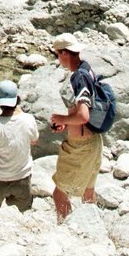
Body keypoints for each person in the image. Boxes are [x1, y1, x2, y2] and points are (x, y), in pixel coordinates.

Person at [49, 32, 103, 222]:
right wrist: (66, 122)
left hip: (80, 147)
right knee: (88, 191)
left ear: (65, 53)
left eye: (57, 54)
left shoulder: (78, 78)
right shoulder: (87, 69)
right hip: (94, 142)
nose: (58, 58)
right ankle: (92, 226)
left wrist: (62, 118)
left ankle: (66, 228)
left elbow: (83, 115)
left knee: (60, 193)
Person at [0, 80, 38, 215]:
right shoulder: (29, 119)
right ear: (17, 100)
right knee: (23, 213)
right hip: (21, 178)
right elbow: (34, 141)